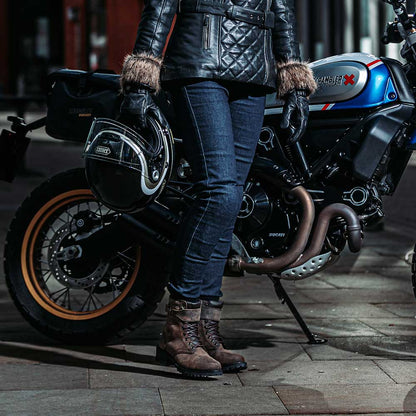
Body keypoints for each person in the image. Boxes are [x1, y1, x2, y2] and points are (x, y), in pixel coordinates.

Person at [119, 0, 317, 378]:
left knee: (231, 198)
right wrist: (143, 77)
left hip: (254, 72)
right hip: (199, 61)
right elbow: (161, 5)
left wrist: (295, 86)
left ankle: (206, 329)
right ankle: (179, 328)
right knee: (219, 191)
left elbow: (282, 10)